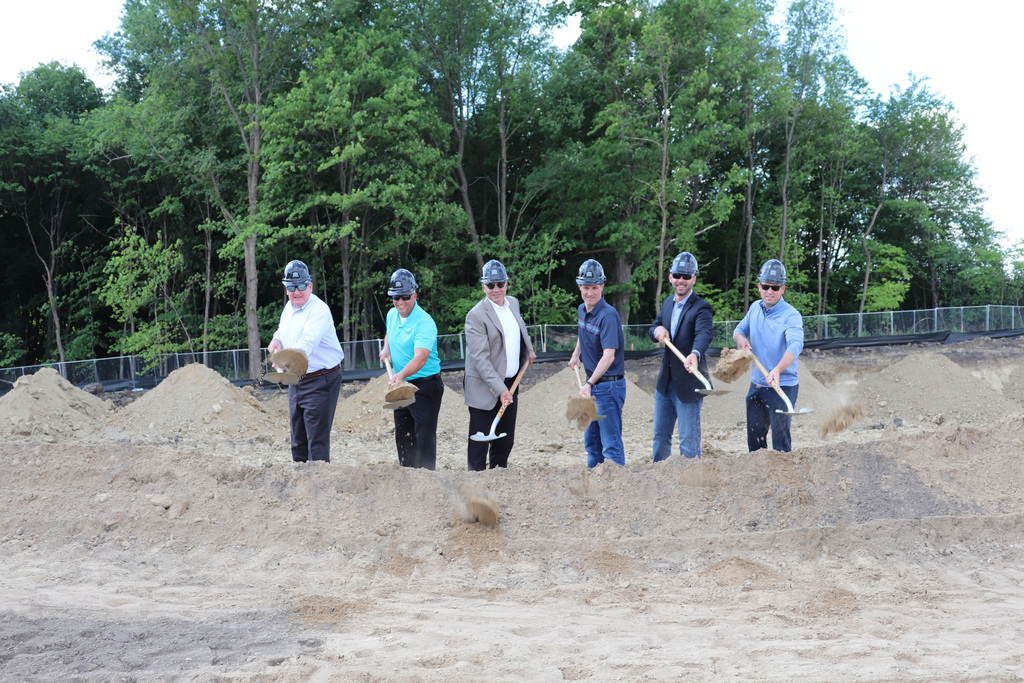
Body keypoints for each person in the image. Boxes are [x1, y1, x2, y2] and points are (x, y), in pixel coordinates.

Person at [267, 260, 345, 463]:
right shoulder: (289, 308)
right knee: (298, 439)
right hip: (296, 380)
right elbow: (283, 331)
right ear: (286, 289)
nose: (296, 291)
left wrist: (285, 360)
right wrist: (277, 339)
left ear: (310, 285)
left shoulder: (319, 310)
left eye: (301, 286)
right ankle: (300, 486)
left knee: (316, 443)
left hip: (321, 380)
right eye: (291, 287)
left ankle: (317, 489)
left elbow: (307, 343)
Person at [464, 259, 537, 470]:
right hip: (484, 387)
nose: (496, 289)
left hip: (512, 381)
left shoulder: (513, 303)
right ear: (483, 287)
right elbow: (481, 359)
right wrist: (501, 390)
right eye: (490, 285)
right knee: (479, 446)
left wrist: (529, 349)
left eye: (500, 284)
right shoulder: (476, 316)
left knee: (505, 441)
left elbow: (521, 327)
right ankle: (475, 485)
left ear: (506, 284)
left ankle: (499, 482)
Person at [733, 258, 805, 452]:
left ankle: (783, 480)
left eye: (775, 287)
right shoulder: (755, 308)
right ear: (759, 286)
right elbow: (738, 330)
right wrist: (741, 341)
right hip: (757, 384)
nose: (769, 291)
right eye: (765, 286)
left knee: (781, 444)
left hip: (783, 384)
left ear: (783, 288)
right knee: (755, 442)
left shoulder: (791, 315)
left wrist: (778, 369)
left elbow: (795, 345)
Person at [649, 252, 714, 460]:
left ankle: (692, 482)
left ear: (694, 279)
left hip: (689, 384)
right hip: (665, 384)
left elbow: (704, 334)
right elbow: (654, 327)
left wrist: (695, 353)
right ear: (670, 277)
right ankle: (659, 478)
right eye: (678, 275)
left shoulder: (701, 307)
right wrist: (656, 331)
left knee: (688, 440)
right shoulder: (668, 303)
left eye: (687, 276)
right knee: (660, 437)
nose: (681, 280)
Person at [379, 268, 444, 469]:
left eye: (405, 297)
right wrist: (385, 348)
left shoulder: (424, 322)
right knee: (403, 431)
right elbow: (390, 332)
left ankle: (427, 477)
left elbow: (420, 358)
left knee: (423, 433)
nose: (400, 302)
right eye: (395, 297)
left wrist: (400, 375)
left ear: (414, 295)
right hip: (401, 384)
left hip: (425, 386)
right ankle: (408, 473)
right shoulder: (392, 314)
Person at [568, 258, 626, 467]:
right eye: (585, 287)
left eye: (594, 287)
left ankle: (616, 489)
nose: (589, 292)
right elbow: (583, 332)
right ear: (579, 287)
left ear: (602, 286)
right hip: (593, 385)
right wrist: (576, 354)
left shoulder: (608, 316)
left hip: (608, 387)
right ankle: (594, 485)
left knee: (610, 444)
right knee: (592, 443)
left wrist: (589, 384)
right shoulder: (582, 310)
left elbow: (609, 356)